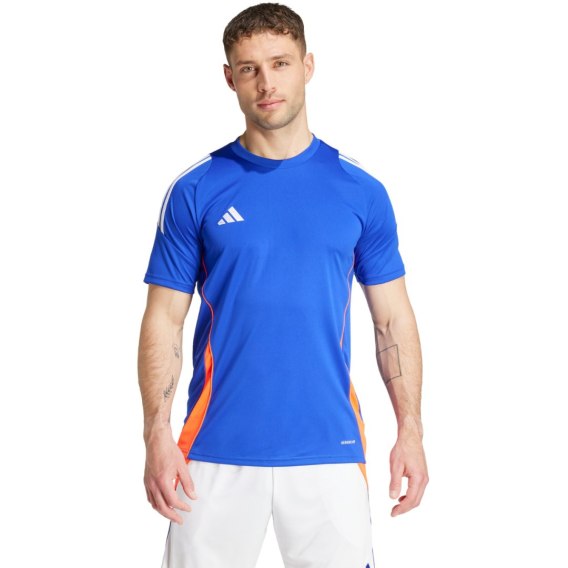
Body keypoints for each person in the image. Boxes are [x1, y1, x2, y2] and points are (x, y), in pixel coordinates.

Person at [138, 3, 428, 567]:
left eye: (280, 63)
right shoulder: (196, 190)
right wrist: (156, 433)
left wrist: (411, 430)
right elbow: (164, 321)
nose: (266, 83)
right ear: (230, 78)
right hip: (212, 449)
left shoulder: (360, 191)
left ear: (307, 66)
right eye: (249, 68)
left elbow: (393, 320)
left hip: (329, 447)